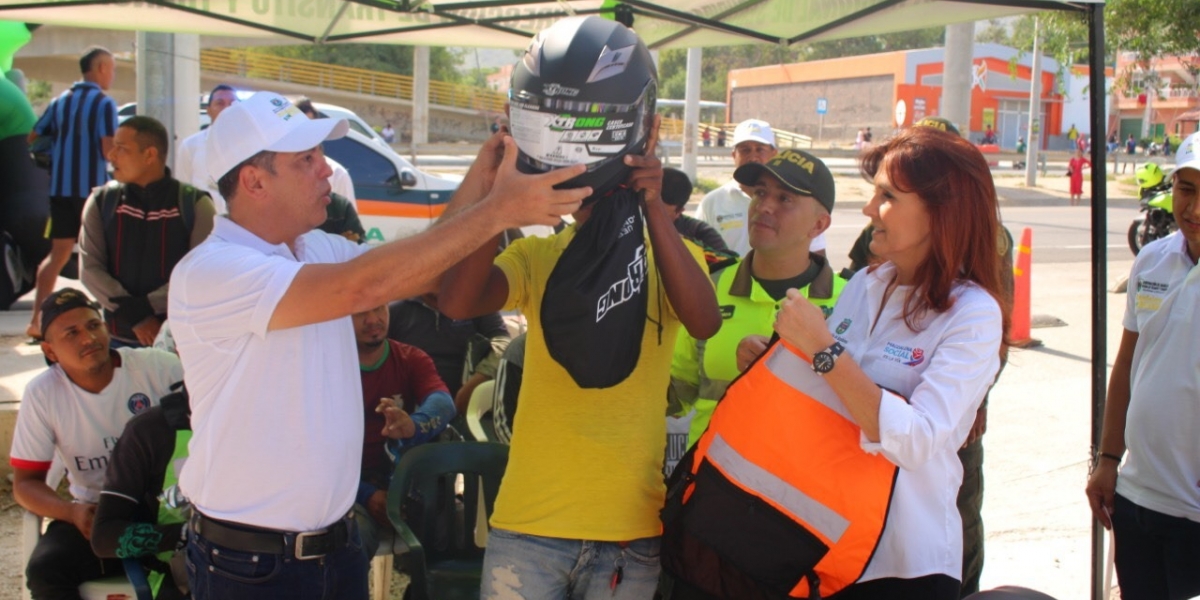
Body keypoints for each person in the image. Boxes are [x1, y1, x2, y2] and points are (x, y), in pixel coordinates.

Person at [166, 91, 585, 600]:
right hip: (252, 565)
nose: (327, 170)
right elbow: (364, 286)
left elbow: (422, 271)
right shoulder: (213, 271)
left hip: (336, 549)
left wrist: (483, 178)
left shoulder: (314, 246)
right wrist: (499, 210)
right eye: (306, 160)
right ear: (253, 181)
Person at [437, 16, 720, 599]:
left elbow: (704, 320)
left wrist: (653, 206)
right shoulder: (541, 258)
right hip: (529, 527)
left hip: (629, 531)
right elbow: (457, 300)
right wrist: (497, 198)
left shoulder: (670, 256)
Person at [675, 125, 1007, 599]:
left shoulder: (972, 313)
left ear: (940, 212)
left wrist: (824, 352)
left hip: (904, 562)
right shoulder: (866, 286)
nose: (870, 210)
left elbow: (916, 440)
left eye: (887, 196)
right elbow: (828, 397)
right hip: (825, 545)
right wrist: (774, 360)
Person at [10, 288, 184, 600]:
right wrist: (71, 512)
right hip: (96, 517)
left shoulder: (158, 368)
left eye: (93, 325)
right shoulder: (43, 394)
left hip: (169, 511)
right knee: (46, 570)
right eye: (72, 333)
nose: (88, 338)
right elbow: (25, 484)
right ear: (50, 351)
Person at [1085, 131, 1200, 600]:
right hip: (1139, 499)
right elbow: (1128, 363)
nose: (1192, 209)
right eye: (1186, 189)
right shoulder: (1151, 260)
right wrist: (1107, 460)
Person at [670, 149, 845, 447]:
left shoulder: (852, 301)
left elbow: (869, 412)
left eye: (784, 199)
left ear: (819, 225)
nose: (764, 206)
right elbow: (674, 393)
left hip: (802, 488)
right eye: (760, 193)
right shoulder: (708, 288)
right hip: (708, 482)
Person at [79, 116, 217, 348]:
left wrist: (147, 308)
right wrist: (138, 318)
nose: (111, 156)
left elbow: (201, 274)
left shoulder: (195, 204)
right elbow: (90, 269)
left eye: (121, 149)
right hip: (115, 343)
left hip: (178, 345)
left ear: (150, 155)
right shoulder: (101, 201)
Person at [26, 46, 118, 341]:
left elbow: (34, 136)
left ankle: (36, 323)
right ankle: (108, 322)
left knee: (57, 255)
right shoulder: (103, 103)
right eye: (112, 68)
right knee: (106, 258)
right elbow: (108, 149)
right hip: (92, 193)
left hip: (61, 191)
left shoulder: (60, 101)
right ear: (101, 67)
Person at [352, 304, 454, 559]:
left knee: (455, 528)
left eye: (379, 309)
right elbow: (309, 455)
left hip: (402, 478)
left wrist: (414, 426)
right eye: (360, 312)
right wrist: (366, 494)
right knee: (352, 538)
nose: (372, 319)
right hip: (347, 486)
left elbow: (443, 402)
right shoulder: (324, 365)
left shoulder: (410, 358)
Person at [91, 385, 191, 600]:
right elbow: (105, 537)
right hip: (181, 578)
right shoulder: (150, 430)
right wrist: (191, 535)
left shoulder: (266, 420)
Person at [696, 118, 828, 257]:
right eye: (745, 150)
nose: (753, 157)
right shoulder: (712, 202)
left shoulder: (795, 201)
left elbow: (817, 254)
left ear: (775, 154)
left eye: (760, 149)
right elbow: (697, 255)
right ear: (734, 155)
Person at [387, 292, 509, 413]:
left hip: (470, 408)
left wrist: (478, 381)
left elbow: (504, 344)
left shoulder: (477, 303)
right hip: (412, 407)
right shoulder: (396, 308)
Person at [175, 84, 237, 213]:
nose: (227, 109)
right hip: (203, 225)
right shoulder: (190, 146)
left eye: (232, 104)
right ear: (208, 110)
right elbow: (182, 191)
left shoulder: (251, 147)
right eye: (220, 103)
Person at [293, 96, 356, 203]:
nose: (327, 172)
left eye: (310, 127)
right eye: (299, 128)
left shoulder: (337, 176)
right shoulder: (272, 177)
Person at [662, 167, 729, 253]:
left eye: (660, 211)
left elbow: (728, 262)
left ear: (679, 212)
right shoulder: (639, 228)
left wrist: (685, 243)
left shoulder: (700, 233)